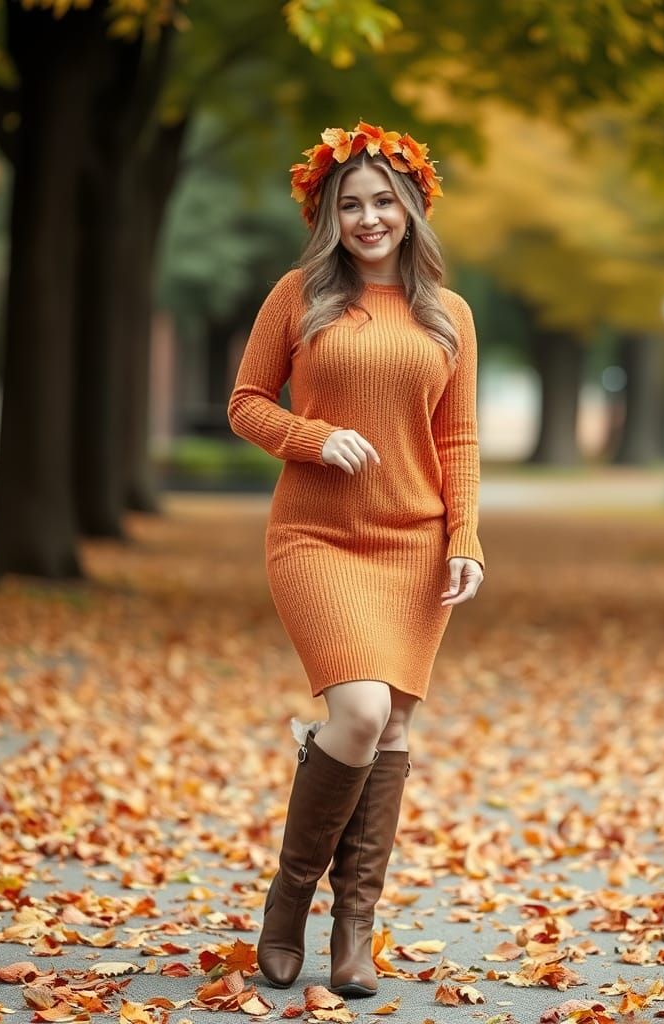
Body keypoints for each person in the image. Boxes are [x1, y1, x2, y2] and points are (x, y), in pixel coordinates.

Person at [227, 120, 485, 999]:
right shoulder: (298, 294)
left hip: (413, 543)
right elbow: (246, 402)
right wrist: (311, 435)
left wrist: (467, 538)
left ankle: (354, 930)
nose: (369, 218)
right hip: (316, 537)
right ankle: (289, 900)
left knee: (395, 729)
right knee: (362, 713)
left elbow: (458, 438)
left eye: (384, 201)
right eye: (351, 205)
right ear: (328, 214)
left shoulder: (449, 315)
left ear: (412, 207)